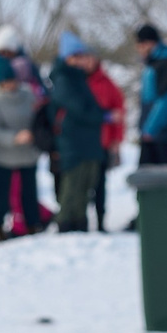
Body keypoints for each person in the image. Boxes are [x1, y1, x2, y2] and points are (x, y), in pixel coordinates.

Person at [47, 33, 109, 232]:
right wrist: (101, 116)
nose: (81, 60)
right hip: (73, 143)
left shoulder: (78, 78)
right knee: (72, 187)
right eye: (76, 56)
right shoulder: (64, 79)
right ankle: (66, 223)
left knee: (85, 186)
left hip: (87, 143)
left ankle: (79, 222)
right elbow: (79, 108)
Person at [0, 56, 43, 238]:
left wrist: (35, 135)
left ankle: (32, 224)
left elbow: (37, 118)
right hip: (2, 154)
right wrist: (15, 138)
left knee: (29, 192)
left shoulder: (28, 95)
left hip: (27, 152)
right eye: (6, 81)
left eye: (13, 80)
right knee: (0, 193)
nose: (11, 84)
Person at [133, 24, 167, 167]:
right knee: (147, 180)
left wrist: (150, 128)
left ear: (150, 43)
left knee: (166, 179)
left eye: (141, 44)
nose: (139, 48)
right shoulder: (152, 63)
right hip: (152, 131)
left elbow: (166, 100)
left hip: (163, 133)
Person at [88, 52, 125, 232]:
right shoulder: (77, 82)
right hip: (83, 143)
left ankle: (101, 220)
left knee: (100, 185)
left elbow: (118, 111)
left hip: (102, 142)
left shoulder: (107, 84)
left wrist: (116, 139)